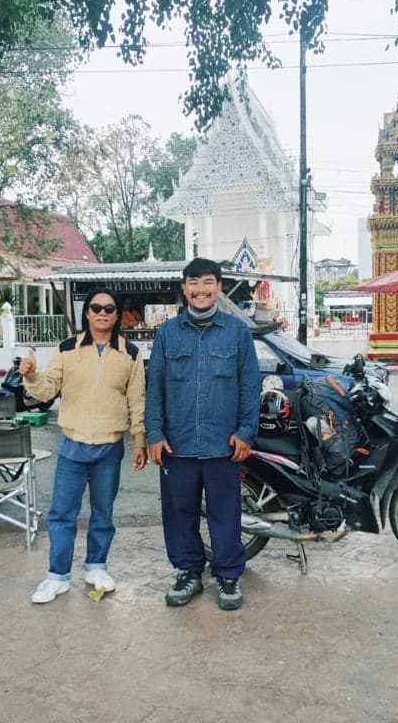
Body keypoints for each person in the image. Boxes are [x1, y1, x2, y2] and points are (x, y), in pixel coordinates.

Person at [145, 258, 260, 611]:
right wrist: (154, 433)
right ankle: (188, 572)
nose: (200, 289)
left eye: (208, 282)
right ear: (184, 288)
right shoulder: (168, 333)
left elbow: (249, 385)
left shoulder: (237, 332)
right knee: (180, 511)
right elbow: (155, 387)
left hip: (223, 444)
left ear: (219, 287)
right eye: (193, 283)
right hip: (176, 444)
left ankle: (228, 576)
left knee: (225, 513)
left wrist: (245, 432)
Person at [21, 289, 147, 604]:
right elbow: (47, 389)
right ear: (87, 313)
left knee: (103, 512)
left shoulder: (130, 354)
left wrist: (140, 439)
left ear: (117, 315)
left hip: (110, 446)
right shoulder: (66, 349)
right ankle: (57, 576)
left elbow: (137, 400)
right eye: (95, 308)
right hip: (73, 445)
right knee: (62, 512)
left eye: (109, 308)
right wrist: (32, 374)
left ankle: (96, 566)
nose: (102, 313)